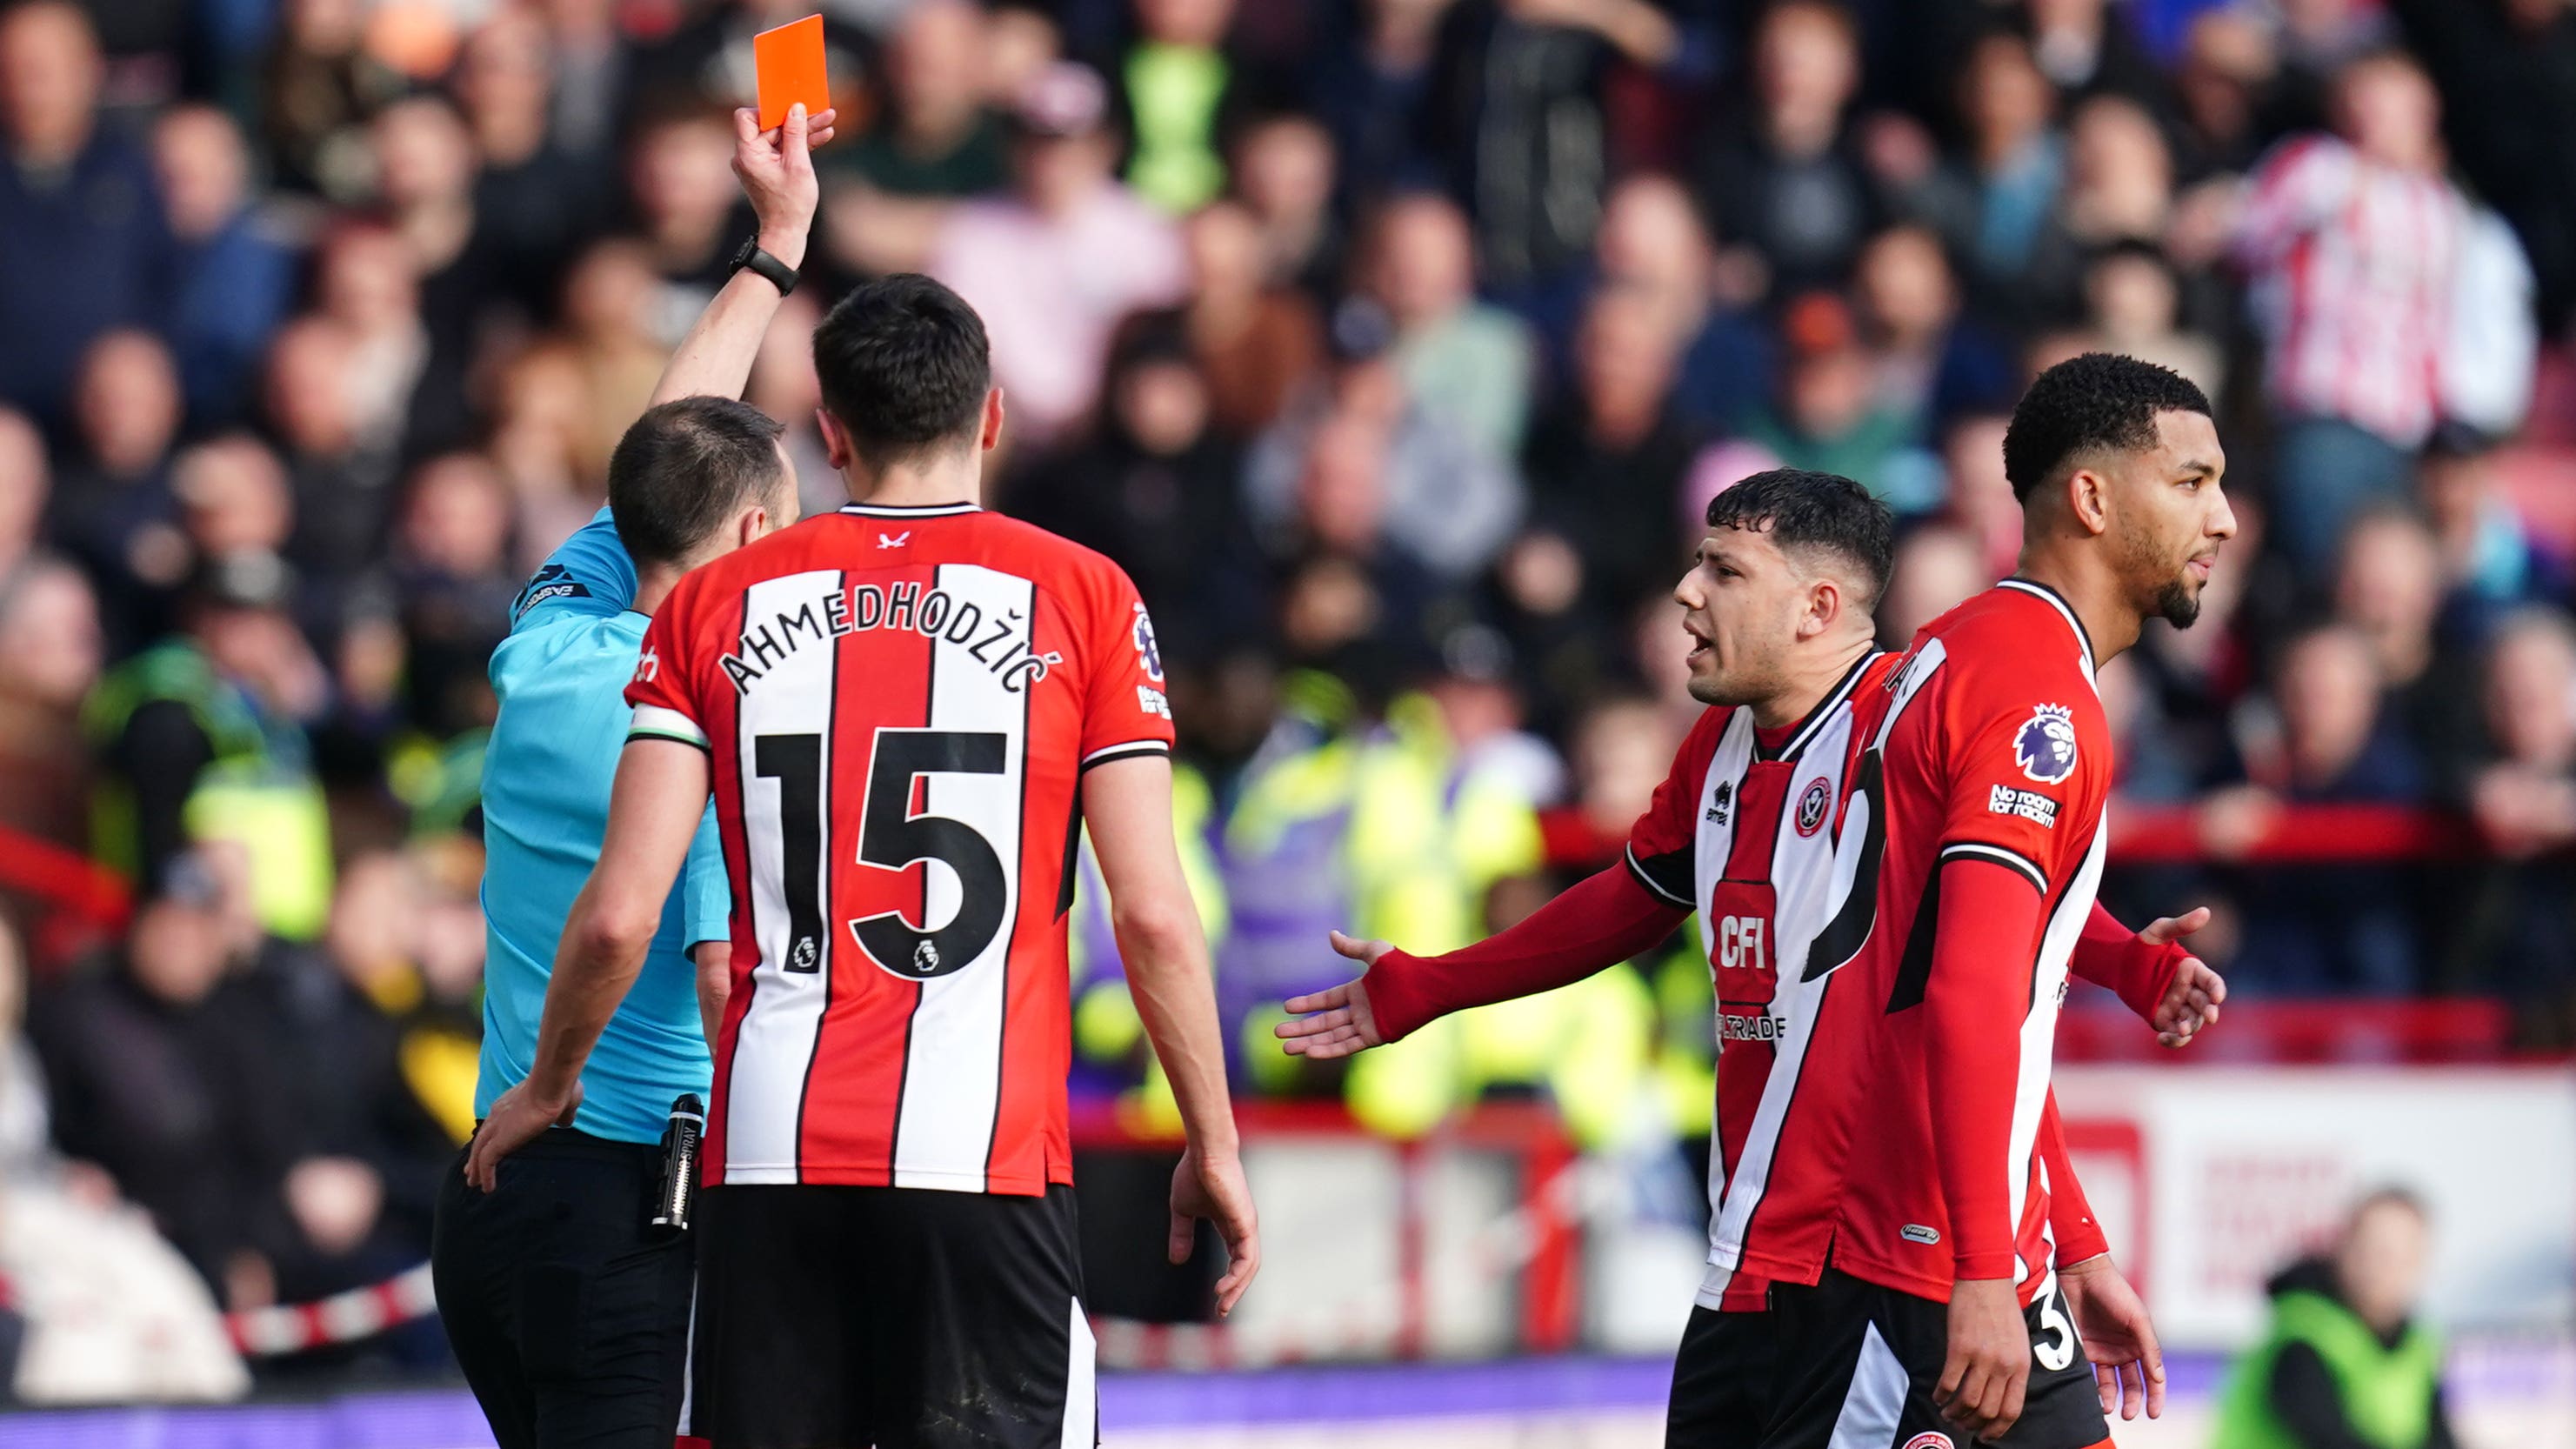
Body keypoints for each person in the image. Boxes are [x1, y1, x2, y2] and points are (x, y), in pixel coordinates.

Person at [464, 276, 1259, 1446]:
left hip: (767, 1153)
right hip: (984, 1158)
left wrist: (547, 1081)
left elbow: (619, 911)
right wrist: (1213, 1138)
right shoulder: (1087, 596)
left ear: (829, 431)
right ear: (990, 416)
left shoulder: (711, 605)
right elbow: (1146, 911)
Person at [1279, 467, 2225, 1446]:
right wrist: (1433, 982)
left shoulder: (1908, 719)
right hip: (1757, 1264)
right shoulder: (1723, 745)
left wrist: (2116, 969)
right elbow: (1626, 903)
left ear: (1817, 607)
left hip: (1888, 1263)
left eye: (1724, 571)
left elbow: (1988, 976)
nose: (1687, 594)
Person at [430, 98, 833, 1449]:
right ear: (761, 531)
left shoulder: (542, 638)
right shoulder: (711, 710)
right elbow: (709, 964)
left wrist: (773, 251)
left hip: (488, 1197)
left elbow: (664, 450)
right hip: (631, 1198)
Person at [1745, 353, 2236, 1447]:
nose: (2226, 519)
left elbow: (1957, 940)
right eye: (2193, 482)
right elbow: (1965, 993)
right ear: (2094, 498)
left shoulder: (1957, 648)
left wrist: (2067, 1236)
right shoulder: (2038, 701)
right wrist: (1980, 1269)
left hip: (1948, 1222)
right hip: (1913, 1244)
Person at [2213, 1189, 2459, 1449]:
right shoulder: (2300, 1337)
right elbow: (2328, 1438)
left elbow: (2440, 1438)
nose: (2383, 1269)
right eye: (2373, 1251)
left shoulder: (2417, 1346)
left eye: (2400, 1257)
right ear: (2344, 1249)